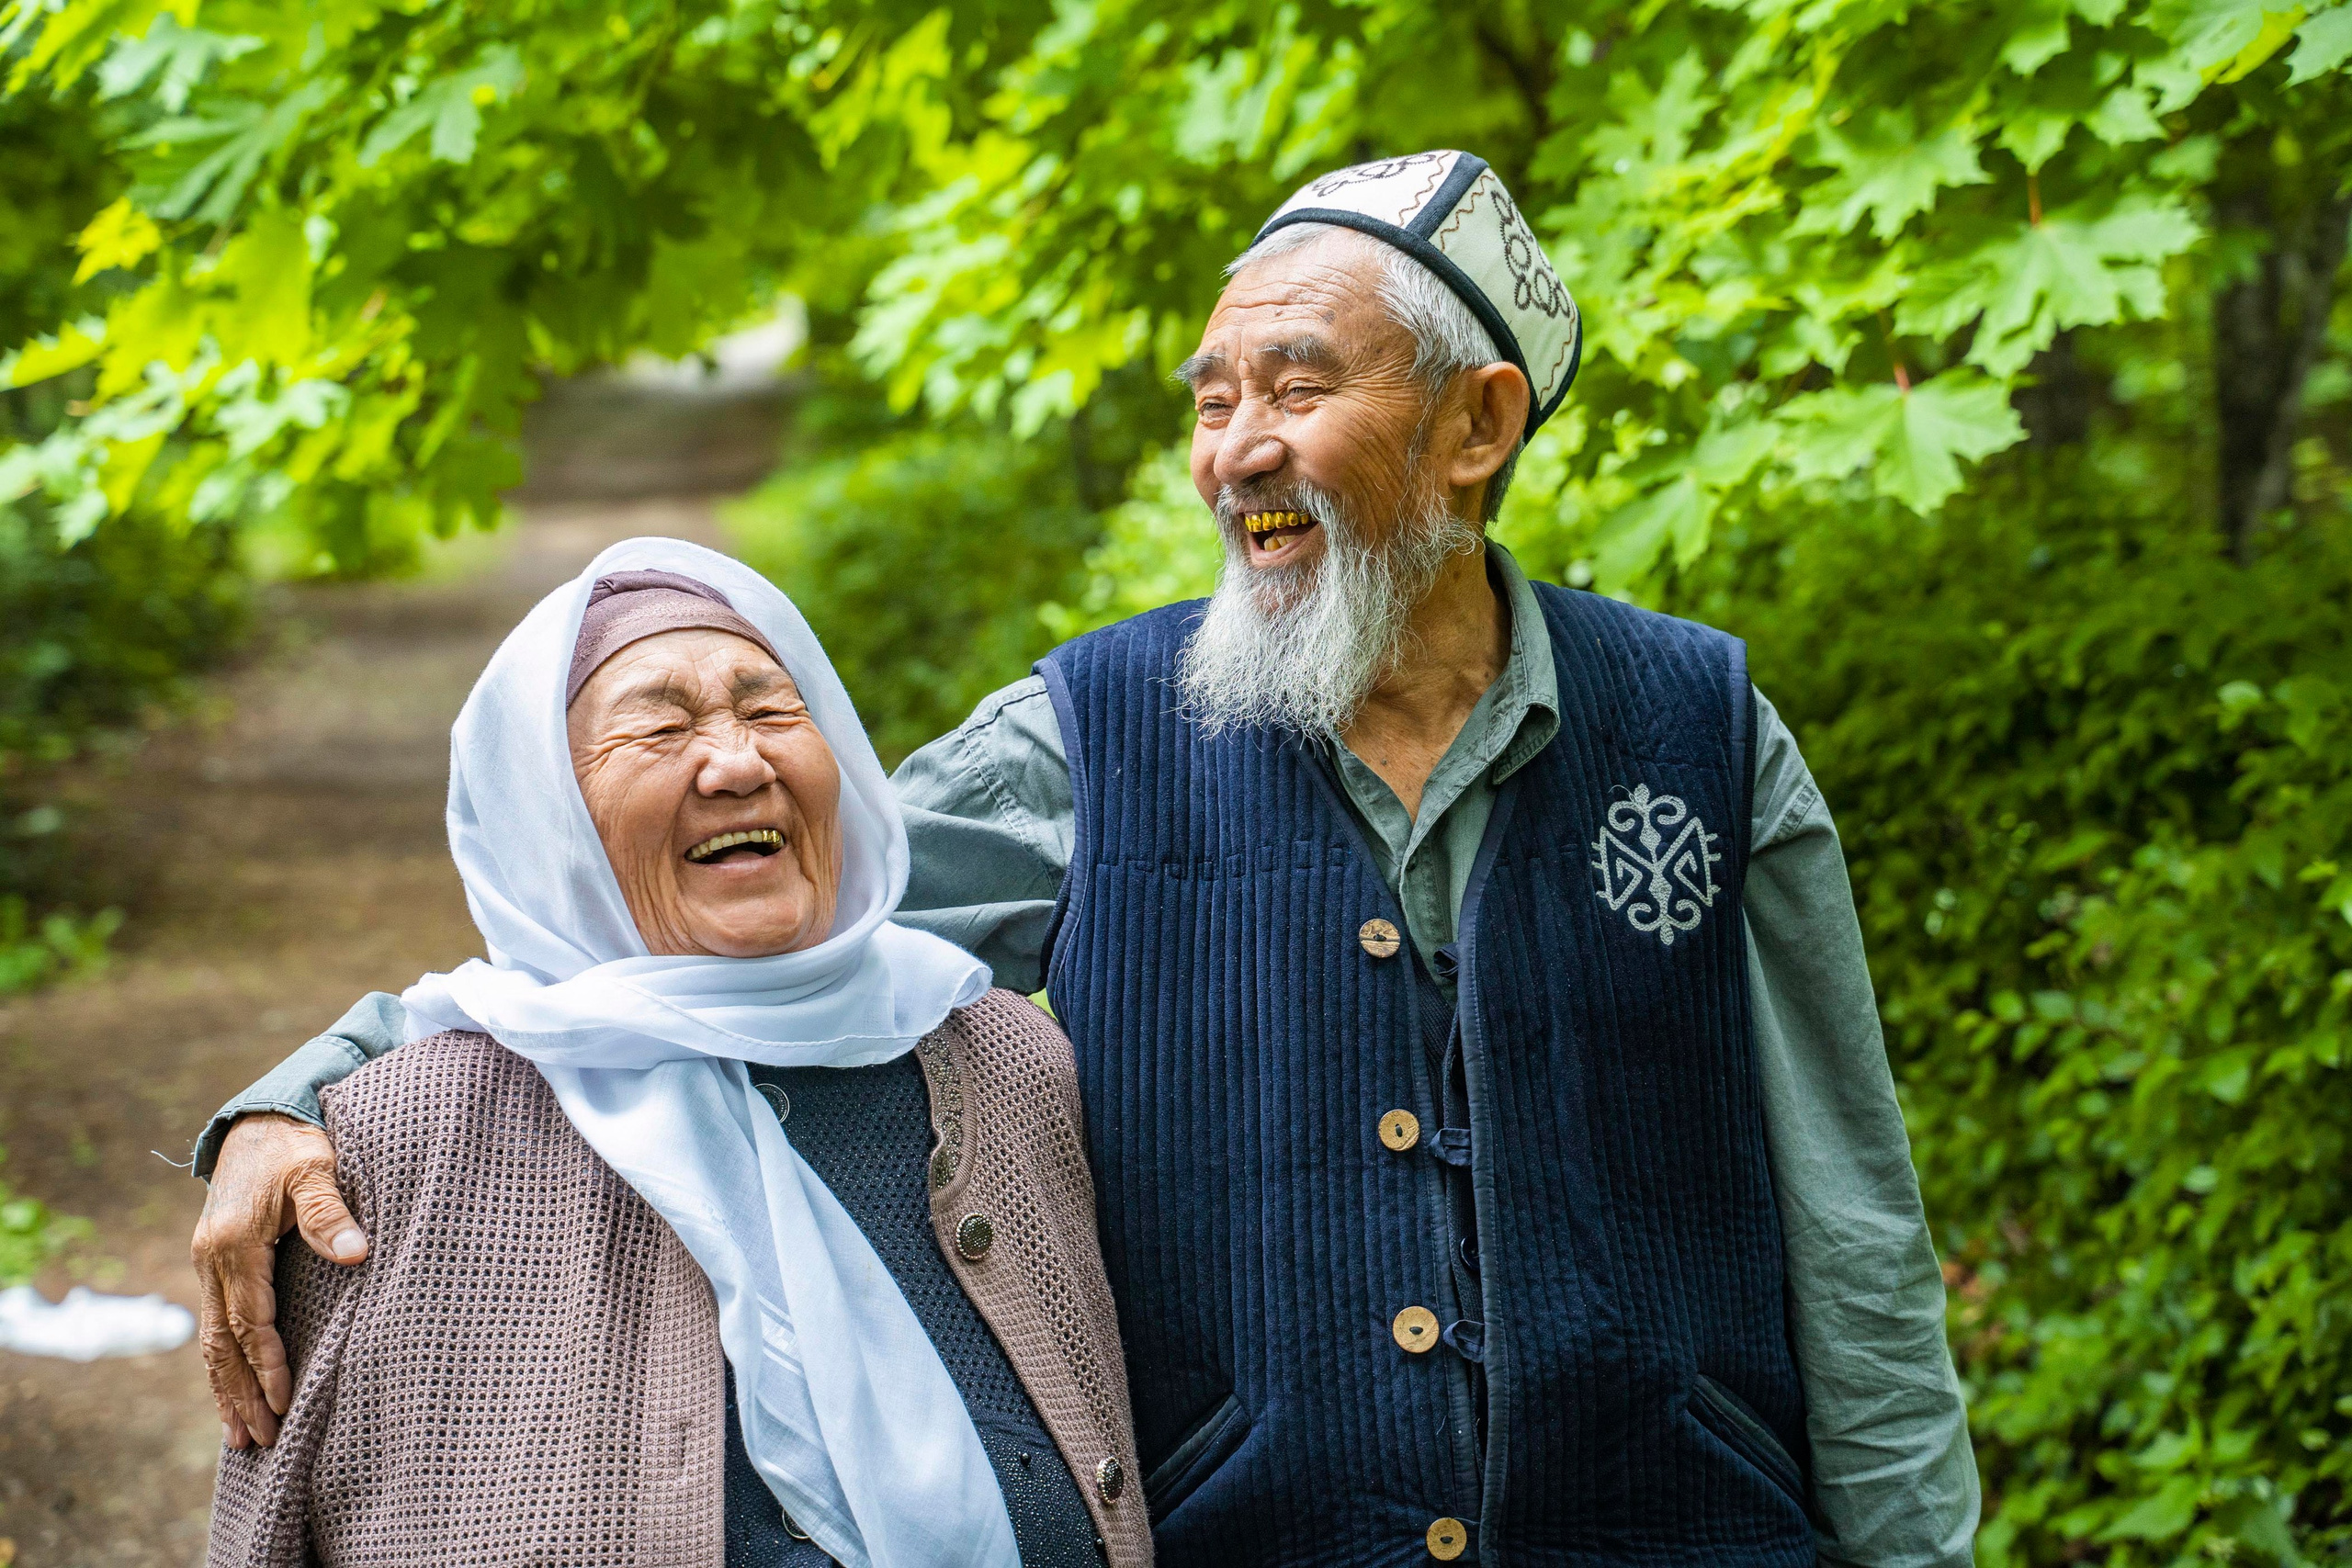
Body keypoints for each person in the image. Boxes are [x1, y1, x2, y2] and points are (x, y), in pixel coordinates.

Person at [194, 152, 1977, 1566]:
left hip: (1676, 1535)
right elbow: (713, 939)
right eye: (1209, 399)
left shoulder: (1695, 727)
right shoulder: (1085, 735)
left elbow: (1848, 1218)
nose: (1233, 449)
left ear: (1476, 427)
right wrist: (318, 1084)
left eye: (1294, 385)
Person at [203, 543, 1150, 1568]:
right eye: (660, 728)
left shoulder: (1001, 1052)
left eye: (775, 712)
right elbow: (266, 1529)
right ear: (549, 821)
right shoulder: (388, 1142)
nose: (740, 762)